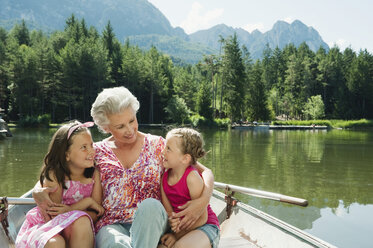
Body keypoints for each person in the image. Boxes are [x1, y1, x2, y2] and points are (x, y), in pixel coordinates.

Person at [33, 86, 215, 248]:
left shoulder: (159, 145)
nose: (129, 130)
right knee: (113, 241)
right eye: (120, 126)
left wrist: (204, 200)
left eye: (132, 120)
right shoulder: (96, 152)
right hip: (111, 225)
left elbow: (205, 171)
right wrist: (37, 189)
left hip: (152, 223)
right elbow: (61, 168)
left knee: (150, 206)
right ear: (105, 127)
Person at [16, 121, 104, 248]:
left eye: (91, 145)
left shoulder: (94, 175)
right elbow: (55, 215)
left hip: (78, 230)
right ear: (66, 155)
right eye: (84, 147)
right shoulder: (55, 175)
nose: (91, 151)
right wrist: (87, 202)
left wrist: (80, 207)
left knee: (83, 222)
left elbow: (97, 214)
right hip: (49, 227)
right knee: (56, 243)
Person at [159, 128, 220, 248]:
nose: (162, 152)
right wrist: (173, 222)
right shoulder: (164, 178)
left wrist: (176, 236)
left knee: (180, 246)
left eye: (168, 149)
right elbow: (170, 213)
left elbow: (202, 218)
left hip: (206, 226)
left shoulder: (192, 178)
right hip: (182, 229)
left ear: (185, 158)